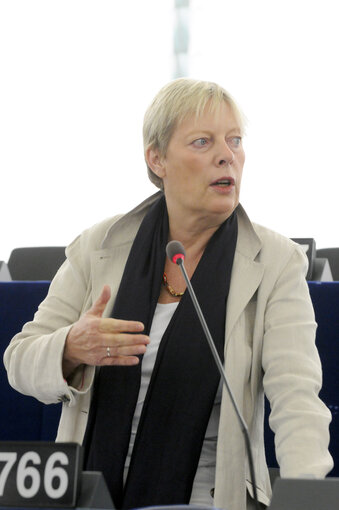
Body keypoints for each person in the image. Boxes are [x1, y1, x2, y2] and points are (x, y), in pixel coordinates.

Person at [4, 78, 333, 510]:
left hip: (211, 496)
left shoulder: (273, 262)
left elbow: (297, 397)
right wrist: (69, 347)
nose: (226, 155)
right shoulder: (99, 247)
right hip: (91, 491)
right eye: (203, 141)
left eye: (235, 141)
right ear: (157, 158)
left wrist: (307, 496)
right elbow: (19, 361)